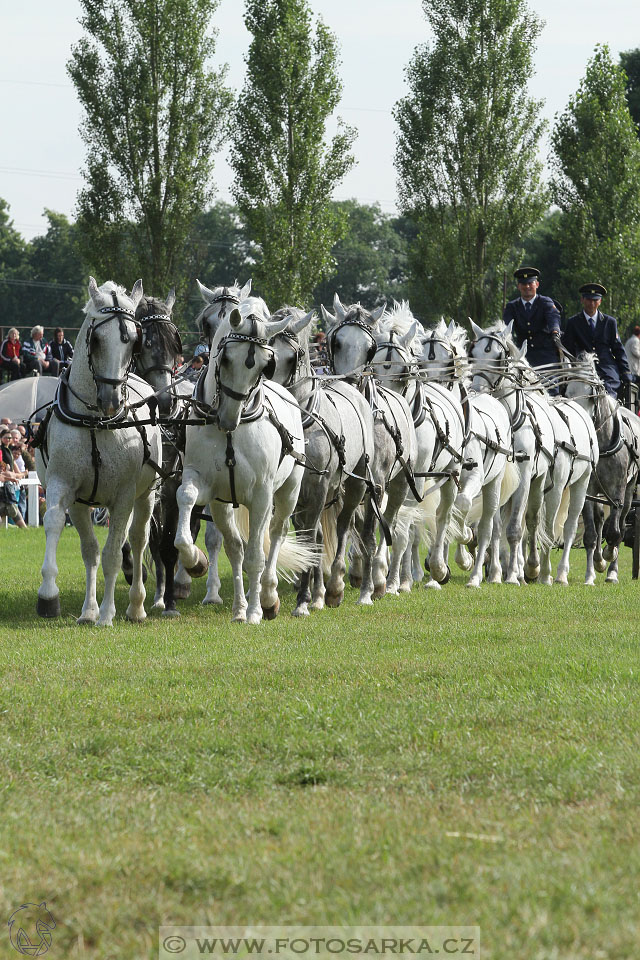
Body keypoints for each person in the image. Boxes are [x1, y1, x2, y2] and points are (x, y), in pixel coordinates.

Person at [562, 283, 632, 397]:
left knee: (608, 393)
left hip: (606, 368)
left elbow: (618, 349)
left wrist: (626, 372)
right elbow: (567, 349)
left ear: (600, 301)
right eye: (589, 300)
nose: (592, 303)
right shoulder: (573, 322)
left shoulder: (609, 322)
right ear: (582, 300)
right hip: (583, 368)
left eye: (595, 300)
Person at [502, 266, 563, 370]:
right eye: (524, 284)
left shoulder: (545, 302)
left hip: (546, 356)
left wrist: (555, 331)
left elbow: (553, 317)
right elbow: (507, 327)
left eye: (530, 283)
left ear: (537, 284)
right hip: (522, 356)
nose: (527, 287)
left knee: (551, 386)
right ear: (519, 286)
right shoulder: (512, 306)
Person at [0, 428, 27, 528]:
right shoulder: (1, 450)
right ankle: (23, 528)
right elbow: (4, 468)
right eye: (5, 437)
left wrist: (18, 475)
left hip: (7, 481)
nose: (8, 439)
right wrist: (13, 476)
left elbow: (11, 466)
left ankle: (23, 528)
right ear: (1, 438)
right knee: (10, 506)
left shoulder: (9, 450)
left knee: (11, 507)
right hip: (5, 482)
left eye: (9, 438)